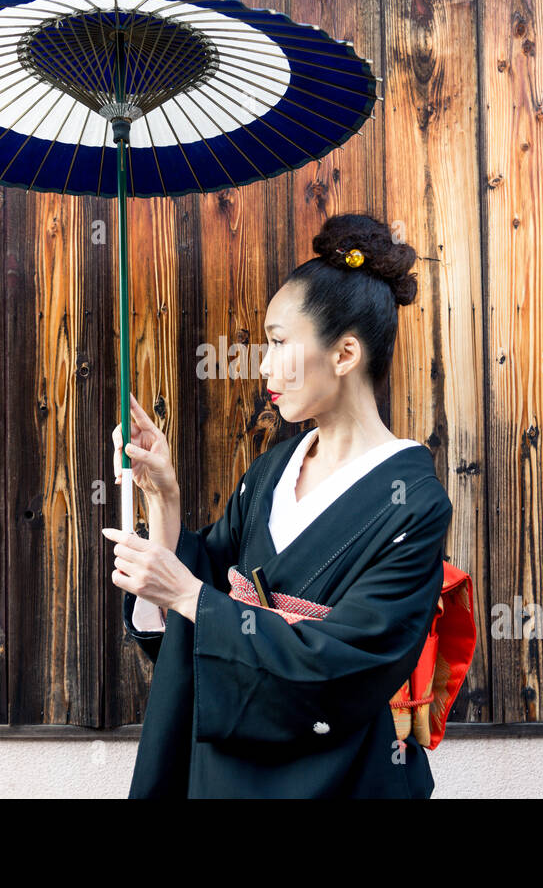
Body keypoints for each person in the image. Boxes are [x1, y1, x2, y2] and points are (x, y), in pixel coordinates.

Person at [103, 212, 453, 798]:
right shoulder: (274, 468)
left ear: (344, 355)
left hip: (335, 771)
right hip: (225, 763)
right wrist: (164, 495)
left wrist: (192, 598)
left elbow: (350, 663)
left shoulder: (414, 504)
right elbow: (208, 580)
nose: (263, 365)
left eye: (279, 342)